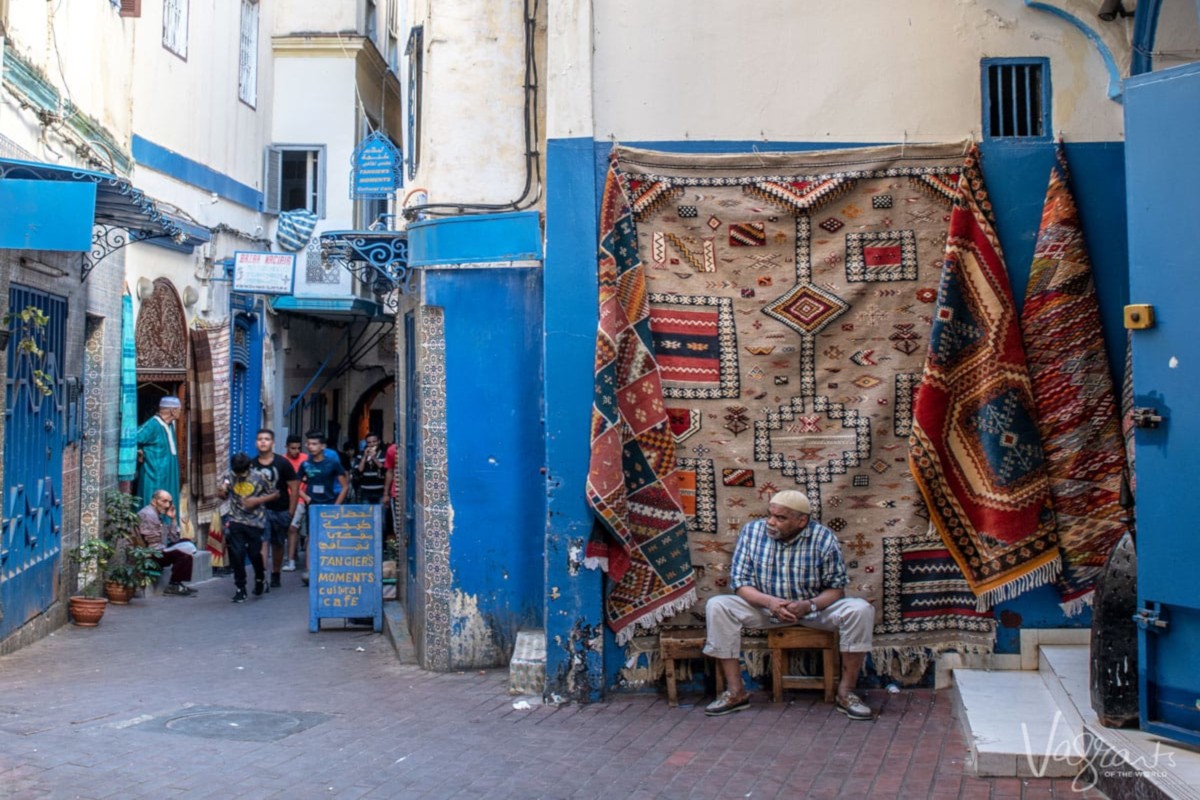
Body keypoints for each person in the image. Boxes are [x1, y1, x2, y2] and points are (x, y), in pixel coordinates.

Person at [702, 490, 876, 720]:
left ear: (801, 521)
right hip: (766, 609)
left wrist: (809, 605)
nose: (771, 522)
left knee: (860, 610)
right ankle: (736, 692)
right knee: (717, 605)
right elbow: (740, 584)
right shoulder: (752, 532)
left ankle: (847, 692)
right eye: (770, 515)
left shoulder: (823, 538)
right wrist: (770, 602)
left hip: (813, 611)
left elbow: (836, 589)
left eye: (780, 518)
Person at [218, 452, 278, 603]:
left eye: (243, 472)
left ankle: (260, 577)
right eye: (238, 472)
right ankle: (240, 587)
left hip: (255, 521)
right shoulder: (230, 475)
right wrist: (222, 491)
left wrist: (257, 500)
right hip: (236, 519)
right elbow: (222, 495)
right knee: (237, 554)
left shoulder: (259, 476)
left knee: (254, 553)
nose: (240, 475)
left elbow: (275, 494)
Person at [298, 431, 349, 585]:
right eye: (309, 444)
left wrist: (336, 506)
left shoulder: (332, 463)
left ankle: (330, 570)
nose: (311, 447)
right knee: (311, 537)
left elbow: (344, 486)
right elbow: (295, 485)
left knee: (330, 537)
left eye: (314, 444)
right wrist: (306, 497)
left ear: (322, 446)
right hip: (312, 505)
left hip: (329, 504)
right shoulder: (305, 464)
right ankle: (310, 571)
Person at [250, 429, 298, 589]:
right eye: (260, 439)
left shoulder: (283, 463)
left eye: (266, 439)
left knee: (278, 544)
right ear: (256, 443)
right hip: (259, 511)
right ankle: (262, 576)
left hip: (280, 509)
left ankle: (276, 573)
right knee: (262, 542)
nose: (263, 442)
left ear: (273, 443)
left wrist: (291, 511)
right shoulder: (252, 465)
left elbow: (294, 487)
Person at [137, 490, 197, 596]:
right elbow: (153, 545)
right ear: (154, 501)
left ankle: (176, 583)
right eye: (164, 501)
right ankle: (173, 585)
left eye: (169, 502)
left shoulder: (158, 514)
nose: (167, 505)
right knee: (184, 554)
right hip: (150, 555)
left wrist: (173, 519)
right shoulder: (148, 514)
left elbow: (173, 538)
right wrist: (174, 549)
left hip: (158, 549)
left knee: (187, 543)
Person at [136, 396, 182, 509]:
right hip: (154, 477)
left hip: (168, 476)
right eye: (179, 409)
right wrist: (139, 451)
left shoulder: (169, 425)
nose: (180, 412)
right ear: (173, 411)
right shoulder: (153, 424)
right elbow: (134, 438)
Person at [282, 434, 307, 572]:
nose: (296, 451)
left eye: (298, 448)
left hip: (301, 499)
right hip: (285, 499)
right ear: (286, 447)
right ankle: (293, 554)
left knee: (292, 528)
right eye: (293, 448)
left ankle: (290, 560)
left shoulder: (306, 459)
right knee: (289, 529)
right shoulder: (282, 460)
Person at [356, 432, 387, 504]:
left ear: (379, 442)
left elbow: (384, 470)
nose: (372, 444)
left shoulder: (384, 454)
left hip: (380, 491)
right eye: (369, 442)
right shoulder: (361, 455)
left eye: (374, 442)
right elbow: (359, 470)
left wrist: (374, 458)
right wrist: (365, 456)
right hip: (365, 491)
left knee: (380, 511)